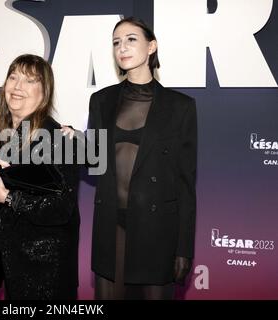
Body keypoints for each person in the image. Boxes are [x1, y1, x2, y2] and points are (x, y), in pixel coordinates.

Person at [88, 17, 197, 299]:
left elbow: (185, 184)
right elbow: (94, 159)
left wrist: (183, 248)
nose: (122, 47)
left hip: (157, 232)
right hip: (111, 230)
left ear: (151, 46)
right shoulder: (101, 101)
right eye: (116, 42)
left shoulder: (180, 107)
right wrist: (70, 143)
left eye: (131, 39)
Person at [0, 54, 80, 300]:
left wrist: (8, 197)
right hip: (10, 257)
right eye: (13, 77)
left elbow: (61, 208)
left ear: (44, 93)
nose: (17, 86)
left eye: (29, 80)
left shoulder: (58, 138)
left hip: (44, 267)